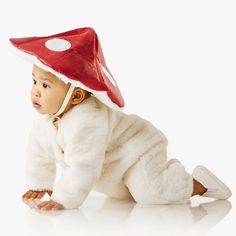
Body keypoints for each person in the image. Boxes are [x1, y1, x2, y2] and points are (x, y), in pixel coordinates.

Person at [9, 27, 232, 211]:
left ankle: (201, 184)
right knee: (125, 197)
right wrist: (40, 184)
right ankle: (154, 178)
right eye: (34, 81)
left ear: (76, 96)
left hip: (139, 148)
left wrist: (64, 199)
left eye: (46, 85)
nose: (35, 91)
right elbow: (38, 153)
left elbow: (84, 166)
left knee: (151, 194)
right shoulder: (46, 120)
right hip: (114, 163)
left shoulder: (88, 120)